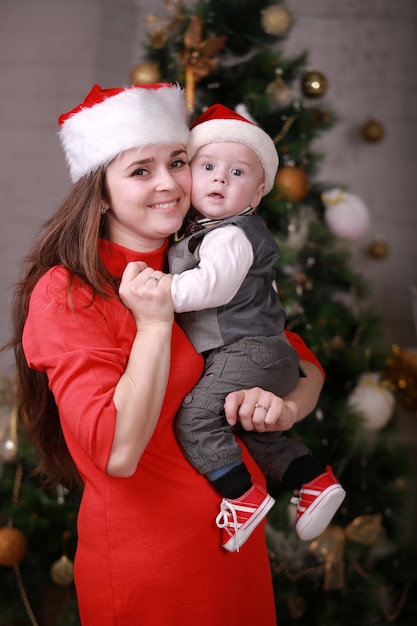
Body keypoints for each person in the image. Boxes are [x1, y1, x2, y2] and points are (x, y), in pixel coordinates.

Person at [7, 83, 326, 626]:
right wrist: (155, 323)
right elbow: (117, 453)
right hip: (152, 570)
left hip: (235, 548)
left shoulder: (204, 260)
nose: (169, 184)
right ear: (101, 192)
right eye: (139, 171)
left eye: (178, 161)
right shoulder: (70, 293)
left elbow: (297, 355)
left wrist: (288, 407)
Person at [168, 103, 346, 552]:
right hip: (261, 354)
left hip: (247, 350)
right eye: (207, 166)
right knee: (247, 428)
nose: (220, 179)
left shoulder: (230, 234)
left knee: (196, 417)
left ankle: (242, 497)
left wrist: (161, 290)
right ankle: (312, 479)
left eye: (237, 173)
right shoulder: (204, 230)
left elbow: (211, 286)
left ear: (258, 192)